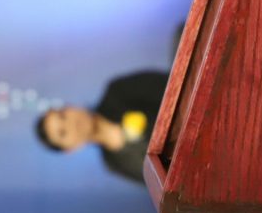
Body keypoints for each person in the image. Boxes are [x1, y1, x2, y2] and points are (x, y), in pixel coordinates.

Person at [35, 70, 168, 184]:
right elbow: (161, 185)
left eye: (63, 116)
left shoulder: (117, 92)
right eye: (63, 132)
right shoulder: (113, 163)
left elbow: (172, 89)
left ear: (69, 106)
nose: (71, 124)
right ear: (69, 149)